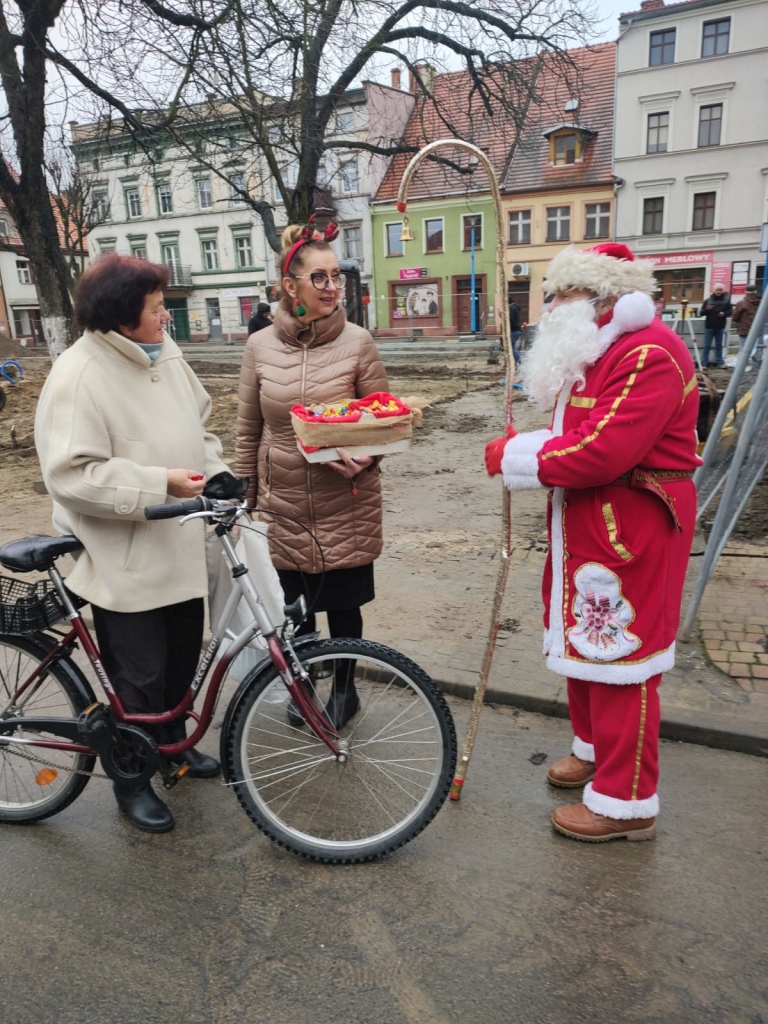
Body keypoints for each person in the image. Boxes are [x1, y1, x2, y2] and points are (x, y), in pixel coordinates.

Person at [484, 243, 701, 843]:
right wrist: (528, 444)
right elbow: (574, 433)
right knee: (586, 641)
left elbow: (600, 450)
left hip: (632, 528)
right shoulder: (601, 349)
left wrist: (513, 456)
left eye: (561, 295)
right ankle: (596, 752)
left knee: (621, 657)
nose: (549, 307)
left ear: (602, 298)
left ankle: (625, 801)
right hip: (592, 524)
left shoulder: (649, 353)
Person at [34, 253, 244, 834]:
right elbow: (71, 475)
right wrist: (160, 484)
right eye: (156, 310)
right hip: (123, 557)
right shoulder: (78, 375)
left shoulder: (164, 355)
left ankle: (171, 751)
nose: (165, 319)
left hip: (177, 540)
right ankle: (131, 779)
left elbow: (199, 427)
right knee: (140, 680)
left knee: (182, 660)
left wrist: (216, 473)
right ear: (123, 317)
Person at [235, 220, 389, 730]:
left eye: (335, 277)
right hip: (283, 502)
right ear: (290, 287)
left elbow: (383, 418)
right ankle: (304, 687)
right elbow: (247, 427)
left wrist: (369, 456)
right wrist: (242, 496)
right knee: (296, 607)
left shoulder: (358, 342)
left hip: (343, 496)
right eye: (318, 278)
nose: (330, 287)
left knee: (344, 607)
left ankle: (345, 693)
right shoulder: (259, 347)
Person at [699, 283, 733, 368]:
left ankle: (720, 362)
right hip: (709, 326)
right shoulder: (708, 301)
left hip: (720, 326)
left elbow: (730, 311)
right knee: (707, 345)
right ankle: (704, 363)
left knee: (719, 345)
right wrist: (707, 309)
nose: (718, 291)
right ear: (714, 290)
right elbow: (701, 313)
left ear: (722, 291)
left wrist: (724, 314)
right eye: (717, 290)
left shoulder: (726, 300)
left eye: (720, 290)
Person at [731, 285, 760, 364]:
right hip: (758, 329)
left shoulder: (741, 303)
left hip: (744, 329)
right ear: (756, 292)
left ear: (746, 292)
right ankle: (755, 364)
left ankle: (743, 365)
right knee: (757, 348)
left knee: (743, 349)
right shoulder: (762, 302)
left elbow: (735, 317)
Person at [508, 298, 522, 367]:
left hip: (514, 330)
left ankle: (520, 361)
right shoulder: (515, 308)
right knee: (513, 347)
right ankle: (517, 362)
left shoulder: (512, 309)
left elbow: (510, 319)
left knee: (511, 348)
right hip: (517, 330)